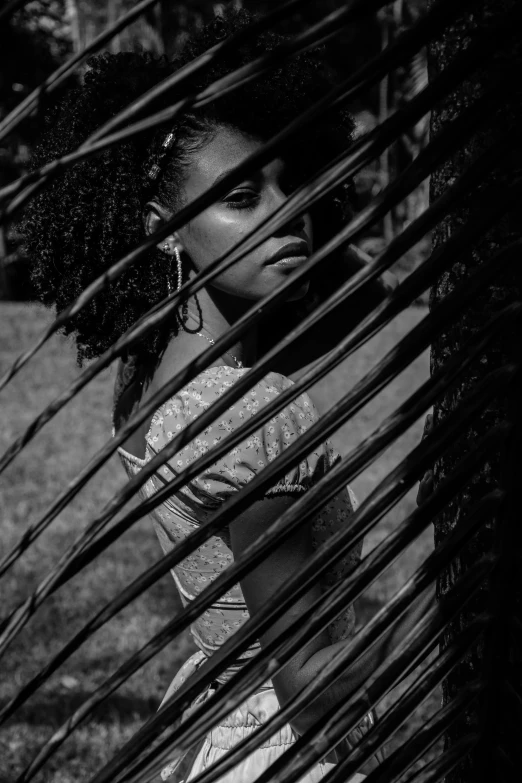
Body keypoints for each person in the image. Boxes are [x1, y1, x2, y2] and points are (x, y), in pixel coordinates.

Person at [23, 8, 433, 781]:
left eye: (290, 178)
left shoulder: (149, 378)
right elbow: (308, 688)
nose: (290, 212)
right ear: (165, 228)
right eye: (243, 195)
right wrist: (448, 587)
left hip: (226, 725)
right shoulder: (250, 417)